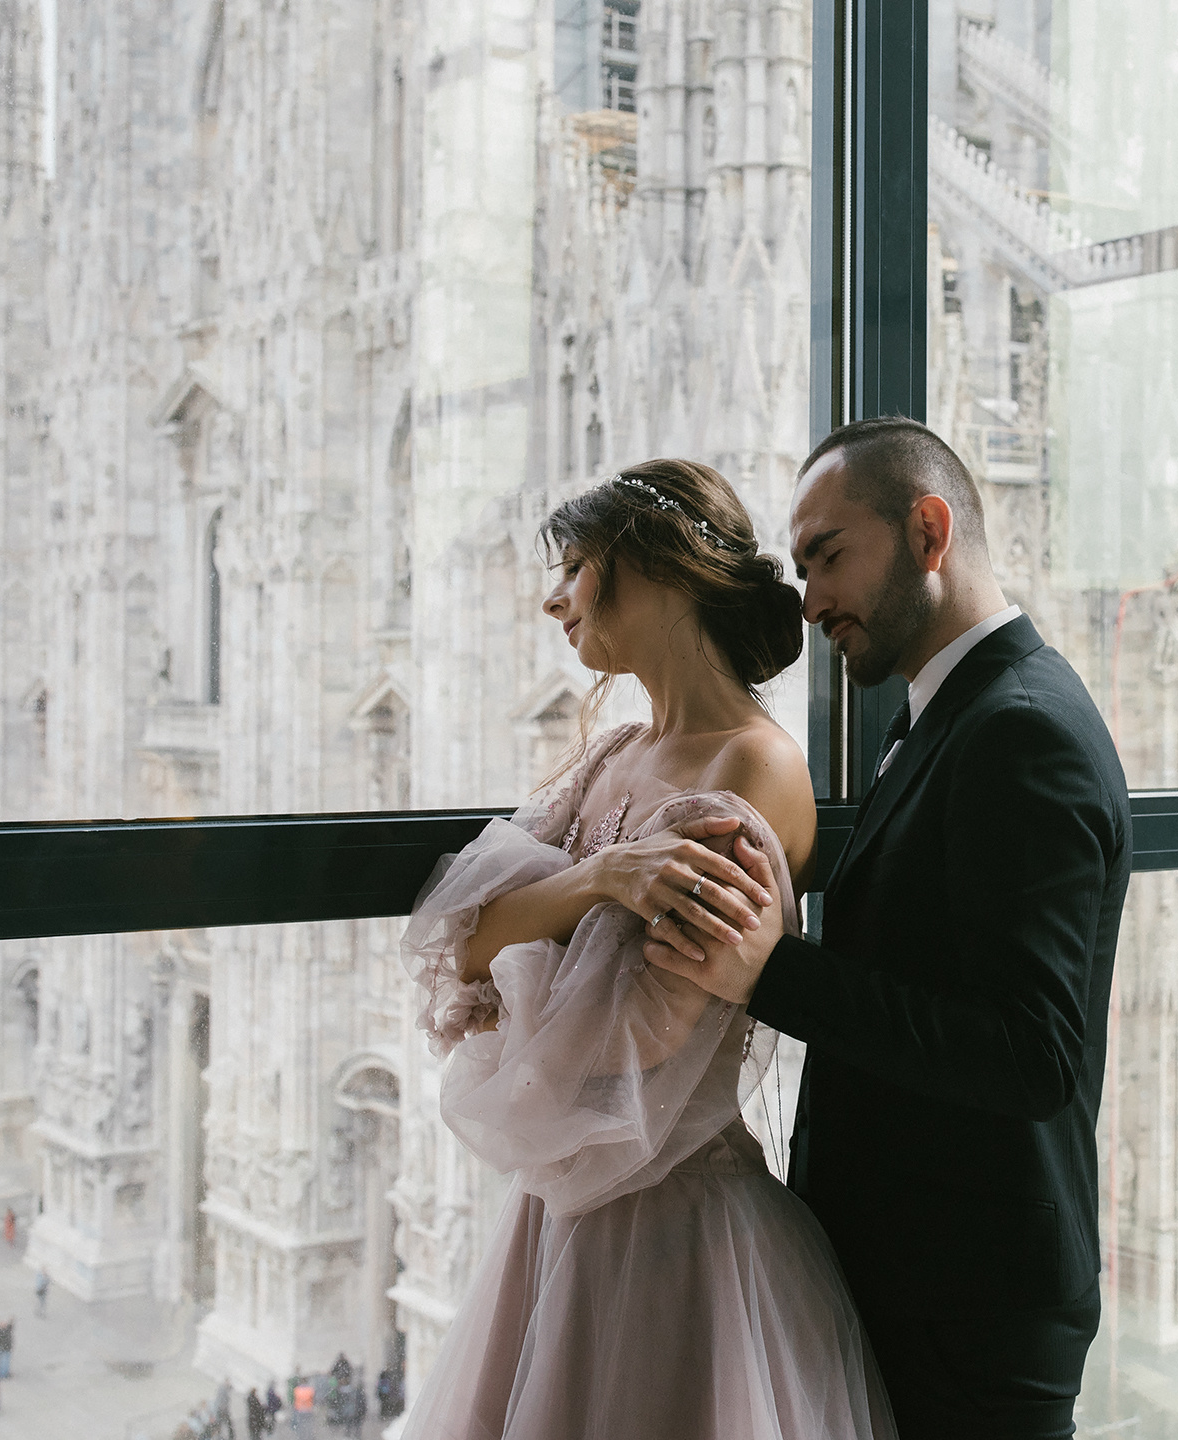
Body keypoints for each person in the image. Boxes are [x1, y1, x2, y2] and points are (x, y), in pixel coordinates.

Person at [647, 417, 1131, 1439]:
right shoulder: (947, 716)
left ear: (928, 530)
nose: (811, 599)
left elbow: (1031, 1054)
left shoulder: (1023, 729)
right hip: (919, 1276)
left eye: (828, 558)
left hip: (975, 1306)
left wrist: (769, 972)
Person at [397, 460, 892, 1438]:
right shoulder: (616, 754)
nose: (554, 599)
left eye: (574, 567)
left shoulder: (751, 764)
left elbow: (636, 1048)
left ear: (654, 571)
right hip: (568, 1216)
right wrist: (592, 882)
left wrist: (534, 941)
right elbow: (460, 947)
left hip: (673, 1230)